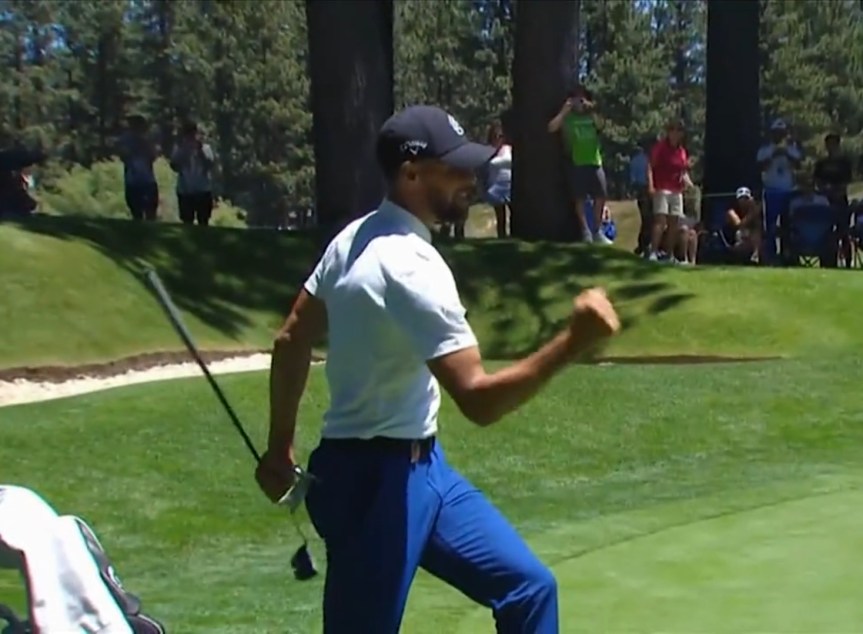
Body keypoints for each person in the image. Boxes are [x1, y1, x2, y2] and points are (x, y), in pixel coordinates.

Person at [254, 105, 621, 633]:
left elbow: (291, 337)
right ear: (410, 174)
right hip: (374, 486)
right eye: (454, 169)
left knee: (529, 588)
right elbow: (478, 398)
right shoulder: (412, 266)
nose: (470, 181)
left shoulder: (352, 238)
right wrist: (573, 341)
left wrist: (279, 445)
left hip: (422, 470)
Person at [547, 85, 611, 245]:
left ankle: (597, 230)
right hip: (576, 161)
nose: (579, 103)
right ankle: (585, 231)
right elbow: (551, 127)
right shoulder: (568, 118)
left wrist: (592, 109)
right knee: (579, 198)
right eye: (576, 99)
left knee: (600, 195)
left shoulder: (591, 116)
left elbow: (601, 126)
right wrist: (564, 111)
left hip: (595, 161)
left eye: (582, 99)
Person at [647, 120, 690, 263]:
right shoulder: (660, 147)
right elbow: (650, 167)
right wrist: (651, 185)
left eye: (679, 131)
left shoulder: (682, 152)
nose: (676, 134)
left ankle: (669, 254)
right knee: (660, 221)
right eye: (673, 130)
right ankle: (653, 251)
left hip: (676, 190)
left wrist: (688, 183)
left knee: (674, 223)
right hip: (662, 188)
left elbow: (683, 171)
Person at [170, 121, 216, 226]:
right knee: (187, 221)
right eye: (187, 133)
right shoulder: (179, 149)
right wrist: (184, 152)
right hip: (185, 189)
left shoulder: (205, 148)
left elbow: (210, 165)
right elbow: (174, 166)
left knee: (203, 220)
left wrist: (199, 151)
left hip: (203, 189)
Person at [117, 115, 159, 222]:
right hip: (133, 179)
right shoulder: (125, 139)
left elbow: (153, 156)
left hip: (147, 179)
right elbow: (123, 155)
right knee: (136, 211)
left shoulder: (147, 139)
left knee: (151, 210)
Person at [484, 120, 512, 238]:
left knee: (515, 214)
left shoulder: (509, 148)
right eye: (495, 136)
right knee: (500, 217)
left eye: (500, 136)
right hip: (495, 186)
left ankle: (514, 235)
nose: (498, 138)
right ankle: (502, 237)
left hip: (511, 185)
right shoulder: (488, 151)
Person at [723, 186, 763, 263]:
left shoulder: (752, 209)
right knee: (742, 233)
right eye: (741, 199)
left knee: (756, 232)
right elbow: (739, 224)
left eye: (746, 199)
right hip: (735, 238)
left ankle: (755, 255)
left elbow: (758, 225)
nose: (744, 201)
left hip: (750, 237)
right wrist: (753, 212)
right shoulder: (731, 210)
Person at [628, 141, 652, 255]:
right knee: (649, 219)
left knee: (647, 219)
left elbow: (632, 179)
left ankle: (643, 245)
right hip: (646, 190)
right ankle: (645, 245)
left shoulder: (635, 160)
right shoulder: (648, 160)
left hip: (642, 190)